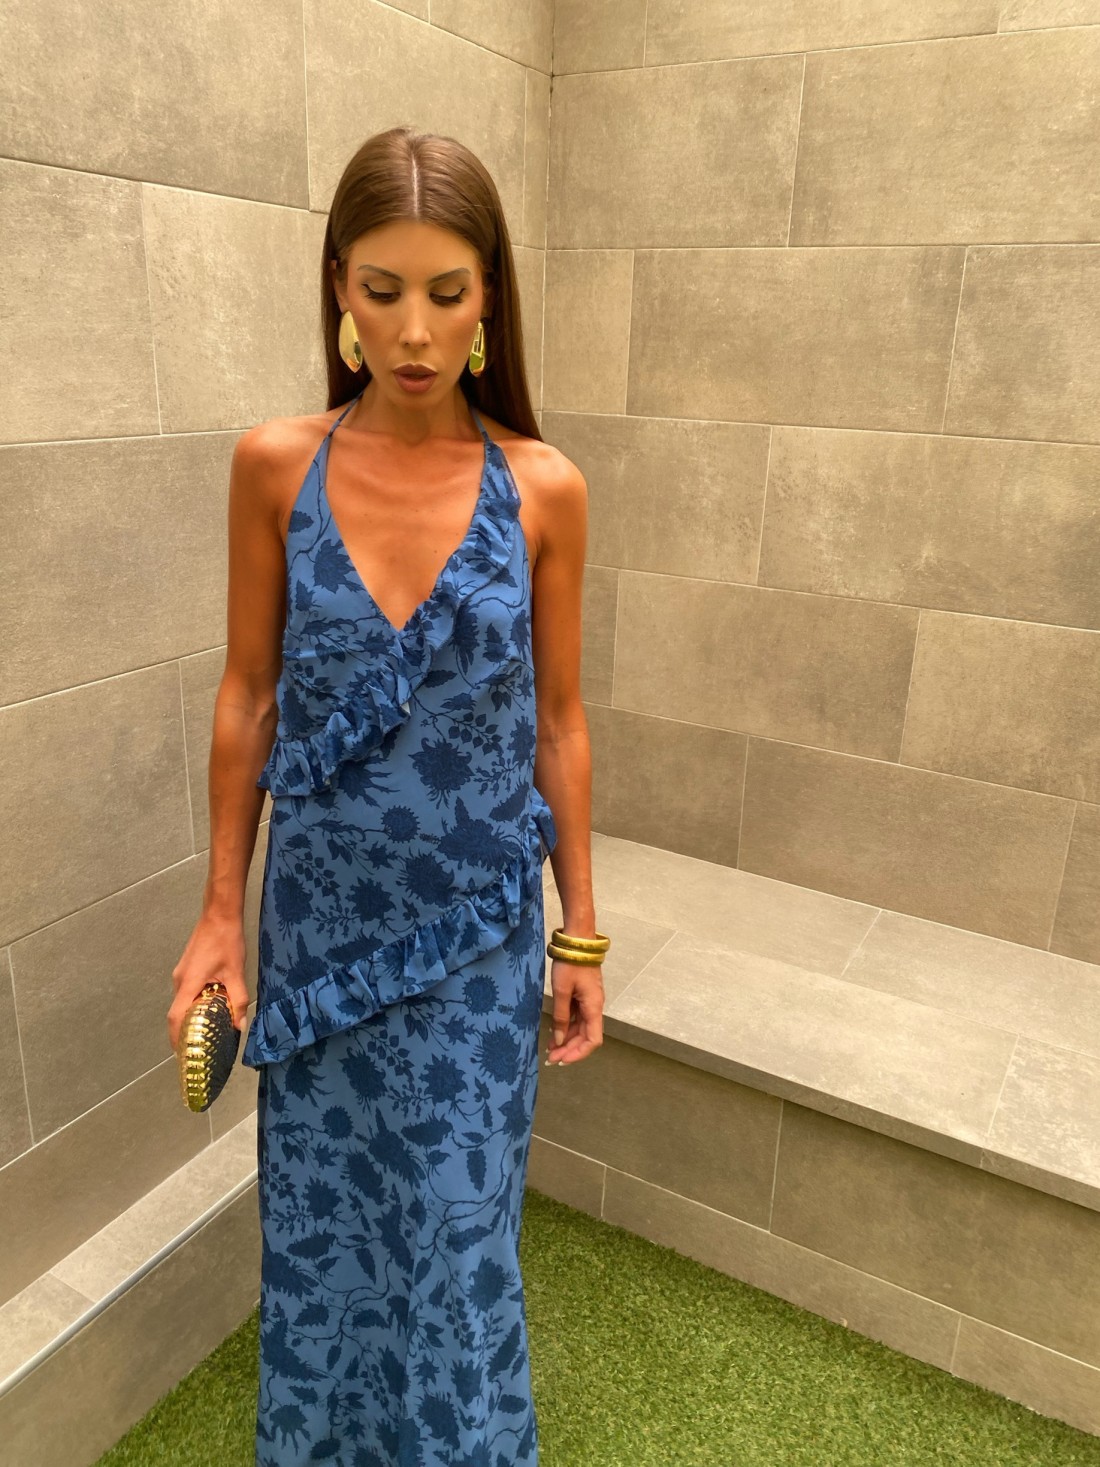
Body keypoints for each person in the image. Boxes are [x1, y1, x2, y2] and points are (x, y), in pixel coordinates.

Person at [168, 125, 607, 1465]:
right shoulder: (273, 467)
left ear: (490, 304)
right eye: (383, 289)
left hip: (479, 939)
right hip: (321, 935)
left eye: (447, 293)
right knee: (327, 1234)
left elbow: (560, 723)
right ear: (339, 293)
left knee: (461, 1242)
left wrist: (581, 933)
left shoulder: (543, 489)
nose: (414, 331)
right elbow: (248, 698)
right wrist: (220, 914)